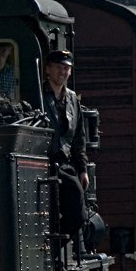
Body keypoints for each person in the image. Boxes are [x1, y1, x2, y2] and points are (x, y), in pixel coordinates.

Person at [42, 49, 89, 190]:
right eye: (57, 67)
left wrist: (83, 170)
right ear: (48, 69)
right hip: (43, 163)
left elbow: (79, 138)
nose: (62, 72)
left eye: (66, 68)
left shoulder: (73, 98)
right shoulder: (37, 93)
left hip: (66, 164)